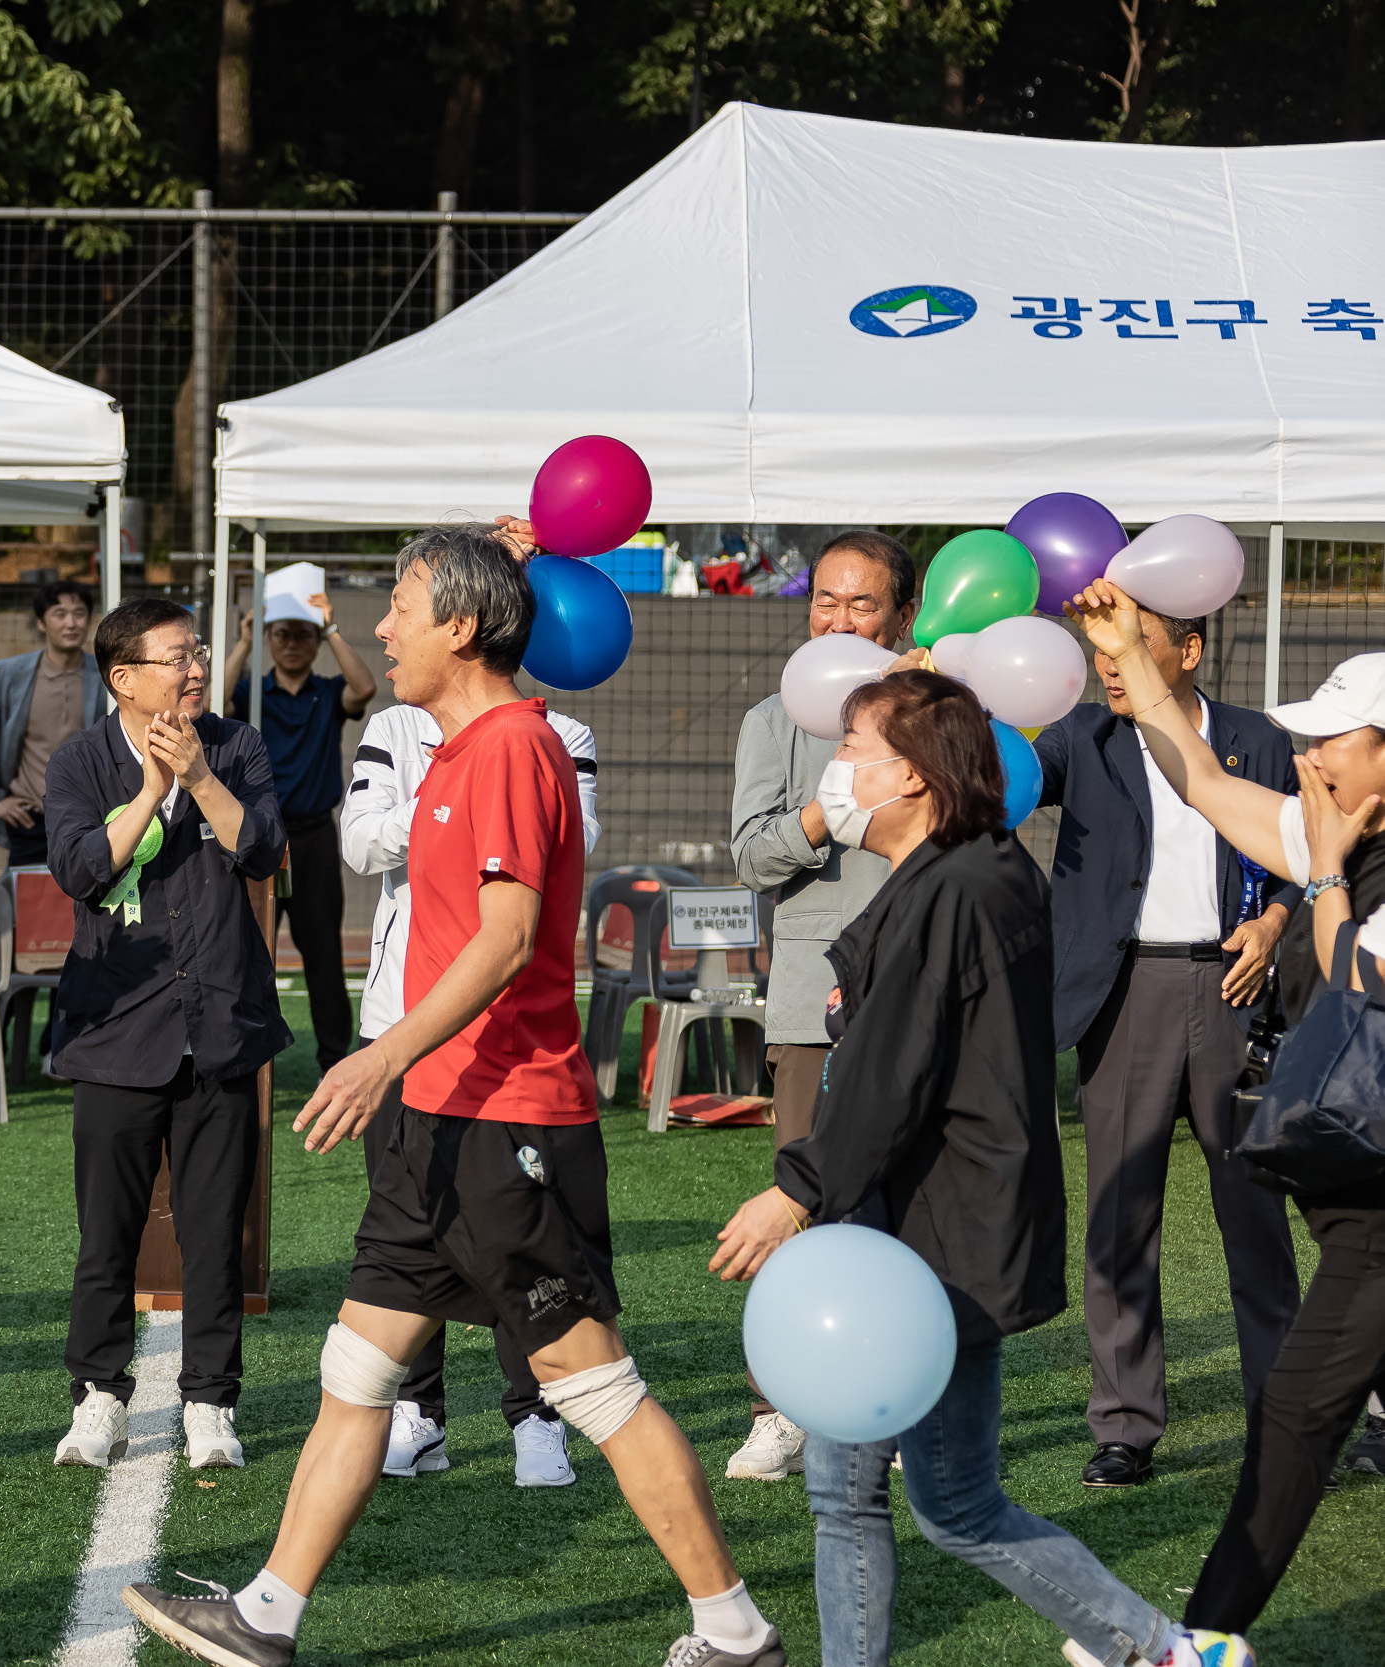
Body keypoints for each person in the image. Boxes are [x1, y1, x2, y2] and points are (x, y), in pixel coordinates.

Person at [126, 527, 783, 1667]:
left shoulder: (513, 750)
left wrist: (378, 1055)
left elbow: (509, 939)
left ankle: (733, 1629)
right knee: (356, 1367)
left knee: (594, 1381)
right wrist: (399, 1073)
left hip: (506, 1125)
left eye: (403, 606)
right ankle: (268, 1613)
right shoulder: (446, 748)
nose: (379, 627)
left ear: (463, 628)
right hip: (433, 1121)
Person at [711, 668, 1243, 1667]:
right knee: (844, 1492)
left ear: (912, 778)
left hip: (939, 1238)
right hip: (912, 1228)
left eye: (854, 753)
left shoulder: (960, 883)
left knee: (953, 1502)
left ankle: (1157, 1645)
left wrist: (797, 1187)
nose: (835, 774)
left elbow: (890, 1071)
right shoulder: (966, 873)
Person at [1066, 586, 1385, 1644]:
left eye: (1329, 743)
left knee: (1294, 1418)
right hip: (1360, 1215)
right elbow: (1201, 780)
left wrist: (1327, 867)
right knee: (1294, 1423)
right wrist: (1132, 660)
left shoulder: (1338, 849)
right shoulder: (1328, 823)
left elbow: (1352, 991)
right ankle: (1199, 1636)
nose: (1306, 761)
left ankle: (1193, 1637)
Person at [1033, 603, 1301, 1490]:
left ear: (1187, 650)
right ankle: (1124, 1426)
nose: (1111, 664)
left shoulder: (1259, 739)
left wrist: (1271, 923)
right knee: (1119, 1215)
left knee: (1256, 1216)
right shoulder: (1080, 735)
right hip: (1123, 993)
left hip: (1237, 992)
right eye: (1099, 649)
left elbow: (1309, 851)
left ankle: (1284, 1419)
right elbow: (1001, 776)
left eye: (1131, 646)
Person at [47, 597, 289, 1473]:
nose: (194, 670)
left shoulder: (234, 745)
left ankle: (211, 1401)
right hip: (115, 1028)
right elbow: (77, 867)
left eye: (197, 654)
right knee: (105, 1230)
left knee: (214, 1229)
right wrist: (149, 789)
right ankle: (99, 1397)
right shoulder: (80, 760)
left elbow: (261, 851)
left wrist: (196, 776)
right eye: (176, 657)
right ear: (124, 677)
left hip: (222, 1024)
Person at [341, 688, 599, 1487]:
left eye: (404, 608)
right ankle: (421, 1414)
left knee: (523, 1238)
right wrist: (442, 802)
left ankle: (537, 1413)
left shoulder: (557, 733)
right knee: (414, 1232)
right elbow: (359, 843)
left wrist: (465, 806)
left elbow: (577, 838)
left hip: (505, 1046)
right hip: (396, 1024)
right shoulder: (393, 726)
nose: (385, 628)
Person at [724, 529, 919, 1484]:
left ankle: (897, 1404)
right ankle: (780, 1406)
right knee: (804, 1199)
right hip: (812, 997)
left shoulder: (941, 714)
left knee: (913, 1202)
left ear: (903, 619)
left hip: (921, 990)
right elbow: (752, 856)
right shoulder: (775, 720)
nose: (840, 620)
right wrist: (826, 805)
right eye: (826, 602)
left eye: (863, 605)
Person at [225, 588, 378, 1073]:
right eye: (281, 634)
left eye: (303, 635)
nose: (291, 643)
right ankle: (248, 1051)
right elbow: (216, 699)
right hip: (259, 836)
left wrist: (331, 628)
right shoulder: (251, 692)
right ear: (270, 639)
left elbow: (365, 688)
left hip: (313, 836)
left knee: (324, 952)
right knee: (249, 948)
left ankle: (334, 1056)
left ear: (315, 643)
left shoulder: (328, 692)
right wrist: (243, 644)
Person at [0, 577, 104, 867]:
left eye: (79, 613)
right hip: (30, 820)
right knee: (28, 907)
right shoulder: (9, 674)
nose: (71, 623)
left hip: (93, 819)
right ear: (41, 622)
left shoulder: (107, 676)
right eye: (59, 614)